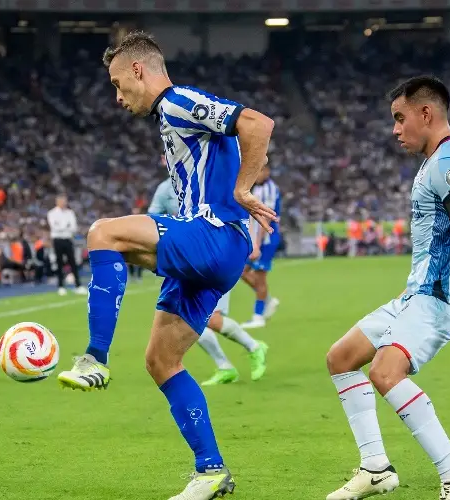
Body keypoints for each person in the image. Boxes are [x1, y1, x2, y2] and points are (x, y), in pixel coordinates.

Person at [55, 31, 277, 500]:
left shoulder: (177, 102)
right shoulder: (168, 118)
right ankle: (210, 471)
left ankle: (94, 357)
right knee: (161, 360)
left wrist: (242, 189)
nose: (117, 97)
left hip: (213, 235)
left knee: (102, 232)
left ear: (139, 69)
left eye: (118, 84)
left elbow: (257, 123)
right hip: (212, 251)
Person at [324, 76, 450, 500]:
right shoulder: (436, 160)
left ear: (427, 113)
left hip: (438, 297)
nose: (395, 129)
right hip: (415, 293)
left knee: (385, 372)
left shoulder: (448, 164)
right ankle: (376, 469)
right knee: (342, 358)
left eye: (400, 119)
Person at [146, 164, 270, 386]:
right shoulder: (165, 189)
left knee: (210, 318)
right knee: (186, 317)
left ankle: (254, 347)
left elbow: (240, 206)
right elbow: (151, 218)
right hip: (186, 260)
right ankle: (225, 366)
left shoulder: (210, 179)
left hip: (216, 256)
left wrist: (250, 240)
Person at [240, 163, 282, 329]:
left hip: (266, 240)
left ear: (267, 171)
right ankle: (268, 300)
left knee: (259, 276)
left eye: (259, 171)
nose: (256, 175)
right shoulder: (254, 189)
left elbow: (268, 218)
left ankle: (258, 316)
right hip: (255, 239)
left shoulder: (270, 188)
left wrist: (257, 244)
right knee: (242, 272)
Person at [47, 194, 84, 296]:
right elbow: (54, 227)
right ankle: (61, 286)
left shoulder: (70, 213)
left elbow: (73, 227)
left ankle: (78, 285)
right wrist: (66, 226)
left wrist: (63, 227)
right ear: (57, 202)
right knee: (59, 263)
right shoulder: (52, 213)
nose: (64, 203)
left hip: (68, 239)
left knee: (73, 262)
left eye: (65, 201)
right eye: (62, 201)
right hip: (57, 240)